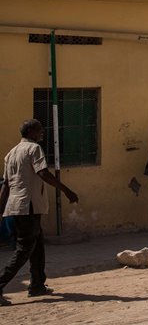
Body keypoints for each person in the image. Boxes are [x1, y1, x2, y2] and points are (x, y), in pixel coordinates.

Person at [0, 119, 79, 305]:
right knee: (25, 248)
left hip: (18, 206)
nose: (42, 133)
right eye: (40, 130)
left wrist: (1, 207)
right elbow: (43, 173)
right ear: (32, 131)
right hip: (29, 206)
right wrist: (67, 190)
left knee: (37, 246)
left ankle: (37, 285)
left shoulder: (11, 153)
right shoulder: (33, 149)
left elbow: (5, 184)